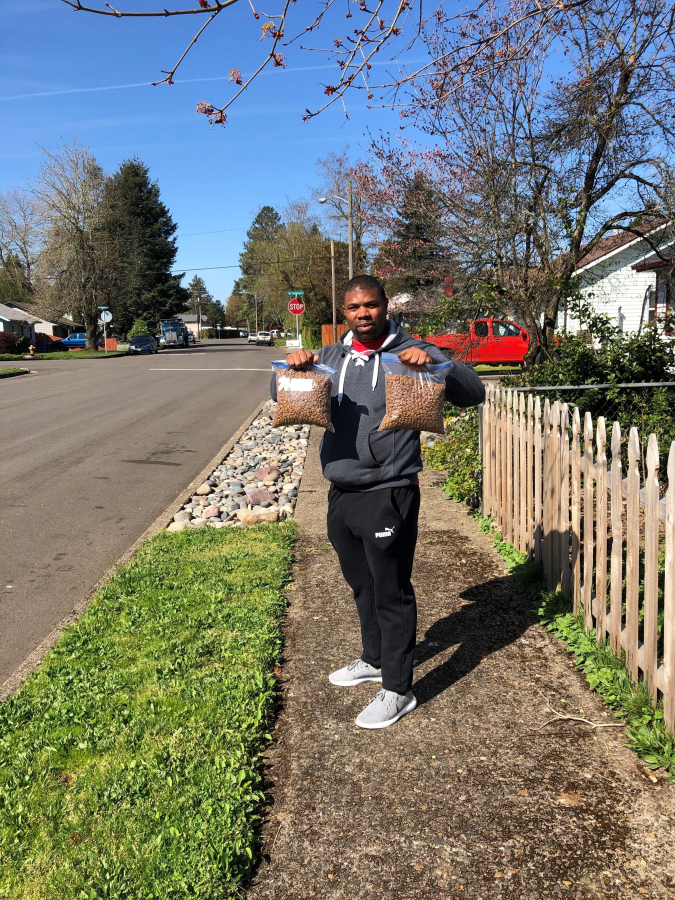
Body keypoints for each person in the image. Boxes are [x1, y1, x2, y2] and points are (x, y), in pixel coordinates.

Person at [270, 275, 485, 729]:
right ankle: (373, 659)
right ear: (343, 312)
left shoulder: (414, 351)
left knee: (391, 590)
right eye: (354, 307)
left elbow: (474, 393)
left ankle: (398, 689)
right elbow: (279, 398)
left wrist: (434, 362)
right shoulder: (329, 356)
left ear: (385, 306)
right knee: (361, 585)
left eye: (370, 305)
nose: (363, 314)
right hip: (339, 490)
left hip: (389, 490)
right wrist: (293, 369)